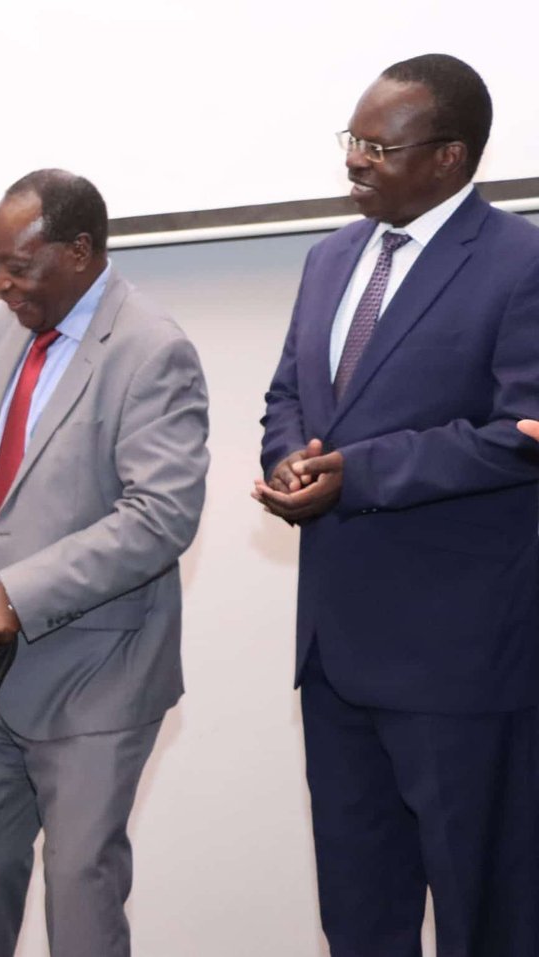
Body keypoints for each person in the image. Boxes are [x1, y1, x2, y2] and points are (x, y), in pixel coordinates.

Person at [0, 169, 209, 956]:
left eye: (17, 266)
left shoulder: (152, 349)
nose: (1, 284)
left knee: (80, 894)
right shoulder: (0, 328)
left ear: (80, 252)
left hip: (95, 676)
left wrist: (18, 592)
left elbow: (161, 516)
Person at [255, 54, 539, 956]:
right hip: (335, 654)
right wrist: (290, 461)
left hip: (459, 659)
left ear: (450, 157)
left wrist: (361, 473)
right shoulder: (329, 257)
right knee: (359, 917)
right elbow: (288, 397)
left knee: (483, 915)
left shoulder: (522, 262)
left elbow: (524, 433)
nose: (355, 160)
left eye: (380, 147)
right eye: (354, 139)